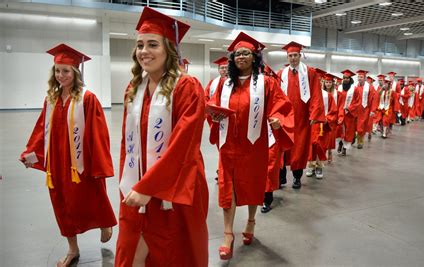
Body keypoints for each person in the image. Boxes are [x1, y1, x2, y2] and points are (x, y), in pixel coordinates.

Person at [115, 7, 209, 267]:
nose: (144, 51)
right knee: (132, 249)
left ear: (169, 49)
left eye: (153, 44)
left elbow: (184, 145)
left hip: (176, 186)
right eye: (140, 45)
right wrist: (132, 182)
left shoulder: (187, 87)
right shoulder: (134, 89)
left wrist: (149, 187)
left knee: (172, 252)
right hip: (138, 184)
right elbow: (128, 145)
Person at [20, 43, 116, 267]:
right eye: (57, 70)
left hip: (81, 162)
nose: (61, 75)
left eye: (66, 70)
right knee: (61, 204)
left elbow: (98, 132)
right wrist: (31, 154)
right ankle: (72, 249)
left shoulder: (87, 99)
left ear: (75, 72)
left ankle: (105, 223)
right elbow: (41, 130)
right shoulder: (51, 100)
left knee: (94, 195)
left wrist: (99, 164)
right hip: (57, 164)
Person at [208, 32, 293, 260]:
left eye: (246, 53)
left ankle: (251, 222)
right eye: (237, 54)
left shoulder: (267, 83)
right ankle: (228, 234)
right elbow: (213, 106)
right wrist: (213, 116)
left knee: (253, 184)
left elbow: (282, 106)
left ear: (254, 57)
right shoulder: (225, 85)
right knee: (228, 187)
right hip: (228, 145)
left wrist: (277, 119)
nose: (241, 57)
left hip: (254, 145)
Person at [276, 41, 325, 189]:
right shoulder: (281, 74)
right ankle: (281, 177)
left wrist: (314, 114)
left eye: (295, 55)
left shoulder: (309, 73)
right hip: (285, 117)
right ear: (287, 57)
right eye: (290, 56)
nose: (293, 58)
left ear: (300, 55)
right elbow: (276, 96)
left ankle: (297, 178)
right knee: (282, 147)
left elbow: (316, 94)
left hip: (302, 118)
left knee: (299, 148)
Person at [262, 64, 294, 213]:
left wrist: (278, 119)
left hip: (269, 130)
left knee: (269, 162)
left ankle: (266, 198)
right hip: (250, 132)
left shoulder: (271, 85)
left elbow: (283, 106)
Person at [307, 73, 338, 178]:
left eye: (321, 81)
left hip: (322, 126)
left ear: (322, 83)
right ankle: (310, 165)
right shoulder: (308, 95)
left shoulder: (328, 96)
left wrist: (326, 120)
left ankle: (319, 166)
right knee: (311, 146)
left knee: (321, 145)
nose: (319, 83)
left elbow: (333, 111)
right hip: (311, 125)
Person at [337, 69, 361, 156]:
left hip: (350, 114)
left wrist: (350, 108)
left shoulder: (355, 89)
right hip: (340, 112)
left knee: (348, 132)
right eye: (344, 78)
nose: (345, 79)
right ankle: (340, 142)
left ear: (350, 79)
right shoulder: (339, 87)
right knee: (340, 130)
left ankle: (344, 148)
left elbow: (358, 102)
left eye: (347, 78)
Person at [355, 70, 375, 149]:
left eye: (361, 77)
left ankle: (360, 141)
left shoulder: (370, 87)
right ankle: (356, 139)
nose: (359, 78)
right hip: (356, 109)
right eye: (358, 77)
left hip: (365, 110)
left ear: (365, 78)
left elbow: (374, 99)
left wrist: (372, 110)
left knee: (361, 126)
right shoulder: (355, 86)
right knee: (355, 126)